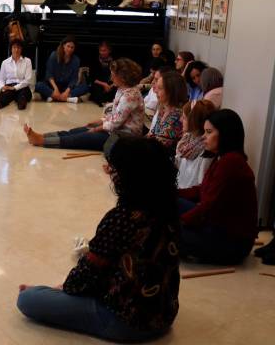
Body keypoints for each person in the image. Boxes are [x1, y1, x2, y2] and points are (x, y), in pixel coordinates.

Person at [17, 137, 180, 342]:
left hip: (125, 322)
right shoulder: (169, 210)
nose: (109, 173)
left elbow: (84, 277)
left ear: (128, 176)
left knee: (27, 299)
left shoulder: (121, 218)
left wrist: (55, 290)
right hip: (164, 315)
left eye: (113, 169)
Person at [177, 109, 258, 265]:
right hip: (218, 228)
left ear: (225, 134)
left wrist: (178, 222)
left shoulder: (231, 162)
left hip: (232, 243)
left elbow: (208, 206)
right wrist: (172, 192)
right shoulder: (222, 158)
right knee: (171, 202)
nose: (203, 137)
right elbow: (202, 190)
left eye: (208, 132)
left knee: (165, 231)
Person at [24, 59, 144, 151]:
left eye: (113, 74)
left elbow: (116, 123)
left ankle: (41, 141)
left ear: (122, 77)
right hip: (113, 130)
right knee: (76, 131)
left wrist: (97, 128)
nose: (111, 77)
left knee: (79, 138)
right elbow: (115, 116)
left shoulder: (131, 96)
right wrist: (98, 121)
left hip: (123, 138)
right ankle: (42, 136)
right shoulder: (122, 90)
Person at [35, 36, 87, 103]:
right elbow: (49, 74)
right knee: (38, 85)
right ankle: (67, 98)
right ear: (63, 46)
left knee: (85, 87)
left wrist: (66, 91)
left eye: (72, 47)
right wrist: (55, 89)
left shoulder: (76, 60)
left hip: (66, 87)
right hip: (53, 86)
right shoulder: (54, 55)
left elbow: (74, 79)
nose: (70, 49)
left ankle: (55, 97)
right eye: (68, 46)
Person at [176, 100, 215, 189]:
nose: (180, 119)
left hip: (189, 198)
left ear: (193, 121)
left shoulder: (206, 152)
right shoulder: (186, 142)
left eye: (184, 117)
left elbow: (201, 186)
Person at [147, 71, 187, 149]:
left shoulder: (179, 115)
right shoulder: (162, 109)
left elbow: (162, 144)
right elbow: (152, 135)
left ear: (171, 92)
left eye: (160, 88)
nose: (155, 91)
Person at [0, 39, 33, 110]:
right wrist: (2, 87)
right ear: (11, 49)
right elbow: (1, 79)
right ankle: (2, 101)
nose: (16, 50)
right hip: (9, 86)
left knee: (23, 95)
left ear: (21, 49)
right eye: (14, 47)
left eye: (18, 47)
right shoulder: (5, 62)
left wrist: (15, 88)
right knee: (5, 96)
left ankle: (21, 102)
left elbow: (28, 80)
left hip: (22, 86)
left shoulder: (27, 61)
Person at [88, 41, 116, 106]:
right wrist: (104, 84)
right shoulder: (94, 60)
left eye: (104, 51)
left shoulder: (114, 61)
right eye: (101, 50)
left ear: (109, 51)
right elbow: (91, 78)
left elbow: (117, 76)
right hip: (99, 83)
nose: (102, 52)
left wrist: (111, 85)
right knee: (96, 90)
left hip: (111, 84)